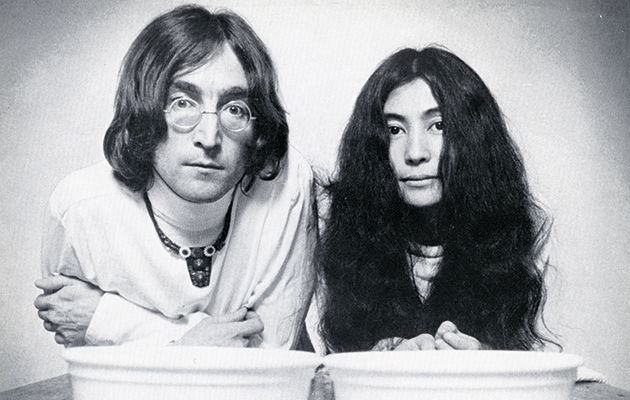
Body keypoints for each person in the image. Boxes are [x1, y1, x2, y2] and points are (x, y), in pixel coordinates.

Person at [34, 4, 315, 349]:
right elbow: (91, 363)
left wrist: (114, 323)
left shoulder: (286, 183)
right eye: (182, 103)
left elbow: (270, 354)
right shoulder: (81, 209)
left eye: (234, 109)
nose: (209, 138)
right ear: (144, 110)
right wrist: (197, 343)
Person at [312, 46, 552, 354]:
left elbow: (555, 366)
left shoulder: (527, 223)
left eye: (438, 126)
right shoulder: (336, 221)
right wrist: (377, 358)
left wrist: (486, 360)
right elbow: (322, 364)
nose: (415, 153)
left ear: (474, 134)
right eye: (394, 130)